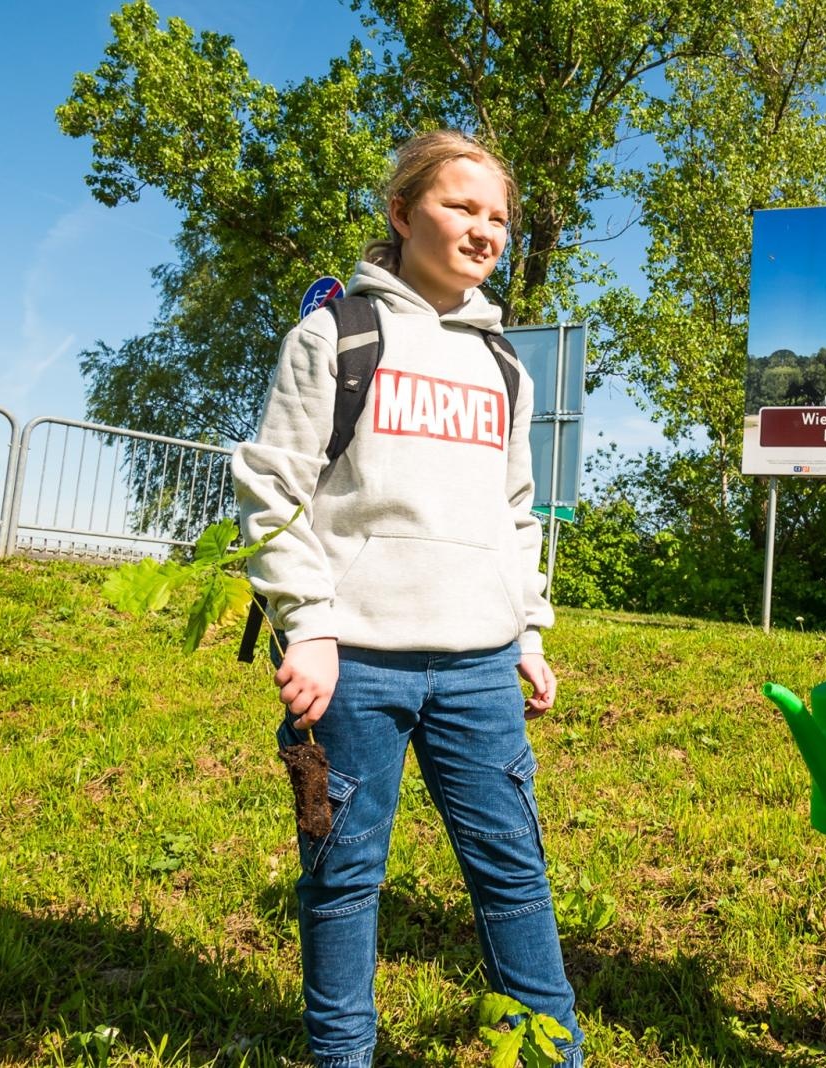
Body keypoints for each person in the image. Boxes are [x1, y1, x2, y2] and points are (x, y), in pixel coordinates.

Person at [233, 130, 583, 1068]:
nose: (485, 231)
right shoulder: (338, 334)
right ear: (401, 213)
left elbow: (517, 512)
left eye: (499, 217)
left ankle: (553, 1055)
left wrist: (528, 633)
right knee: (342, 883)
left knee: (515, 879)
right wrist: (305, 628)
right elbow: (271, 488)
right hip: (355, 670)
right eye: (462, 208)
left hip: (479, 668)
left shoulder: (504, 363)